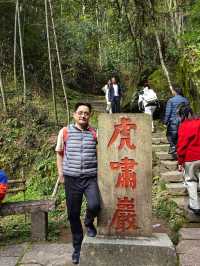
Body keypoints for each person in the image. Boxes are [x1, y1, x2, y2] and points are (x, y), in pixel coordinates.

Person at [56, 102, 101, 264]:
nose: (83, 115)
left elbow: (101, 153)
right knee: (73, 214)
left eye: (86, 113)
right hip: (71, 178)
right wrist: (60, 173)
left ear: (90, 116)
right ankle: (77, 248)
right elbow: (59, 153)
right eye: (80, 112)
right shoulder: (65, 131)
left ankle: (89, 222)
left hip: (90, 178)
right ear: (74, 114)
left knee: (95, 204)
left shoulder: (95, 134)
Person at [176, 104, 200, 215]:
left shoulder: (184, 126)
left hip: (191, 158)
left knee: (191, 181)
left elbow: (181, 146)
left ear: (182, 115)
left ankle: (195, 206)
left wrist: (180, 162)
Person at [164, 86, 189, 155]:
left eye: (173, 90)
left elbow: (168, 112)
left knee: (169, 135)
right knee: (180, 136)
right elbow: (187, 112)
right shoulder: (186, 100)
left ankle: (173, 147)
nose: (172, 92)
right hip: (184, 121)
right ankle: (180, 151)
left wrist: (165, 122)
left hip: (173, 121)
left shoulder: (171, 100)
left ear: (175, 91)